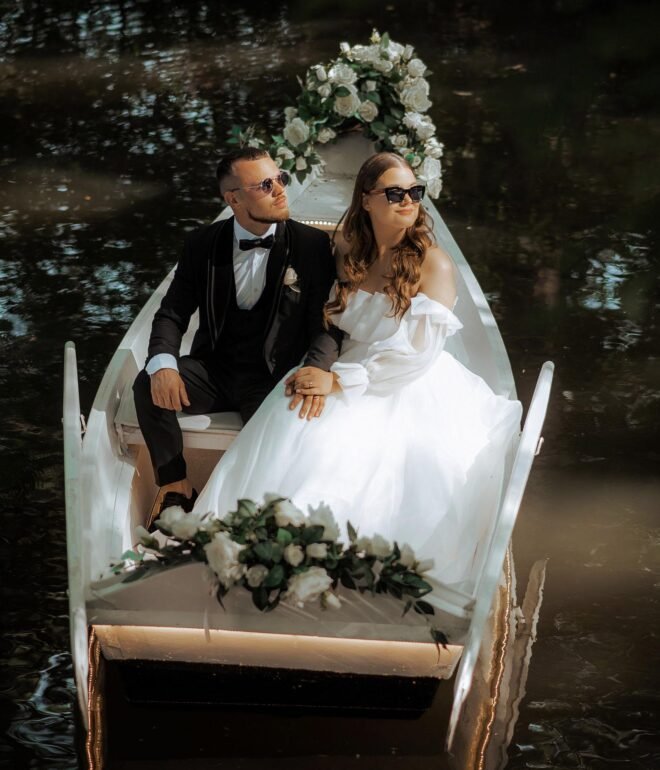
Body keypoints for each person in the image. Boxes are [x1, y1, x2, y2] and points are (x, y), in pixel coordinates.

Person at [193, 152, 522, 590]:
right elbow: (324, 318)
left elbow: (416, 355)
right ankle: (264, 548)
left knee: (365, 456)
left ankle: (337, 567)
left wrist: (339, 381)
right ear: (366, 200)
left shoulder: (433, 263)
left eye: (415, 192)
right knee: (291, 414)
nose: (408, 201)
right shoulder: (347, 243)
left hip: (403, 379)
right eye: (395, 193)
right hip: (346, 365)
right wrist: (319, 369)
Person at [133, 147, 342, 525]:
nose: (280, 190)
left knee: (282, 441)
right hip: (216, 370)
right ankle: (177, 486)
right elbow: (172, 313)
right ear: (233, 198)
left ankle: (257, 511)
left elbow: (326, 325)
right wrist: (162, 364)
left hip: (274, 377)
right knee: (147, 384)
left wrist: (316, 369)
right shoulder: (202, 244)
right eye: (265, 185)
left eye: (280, 178)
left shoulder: (312, 247)